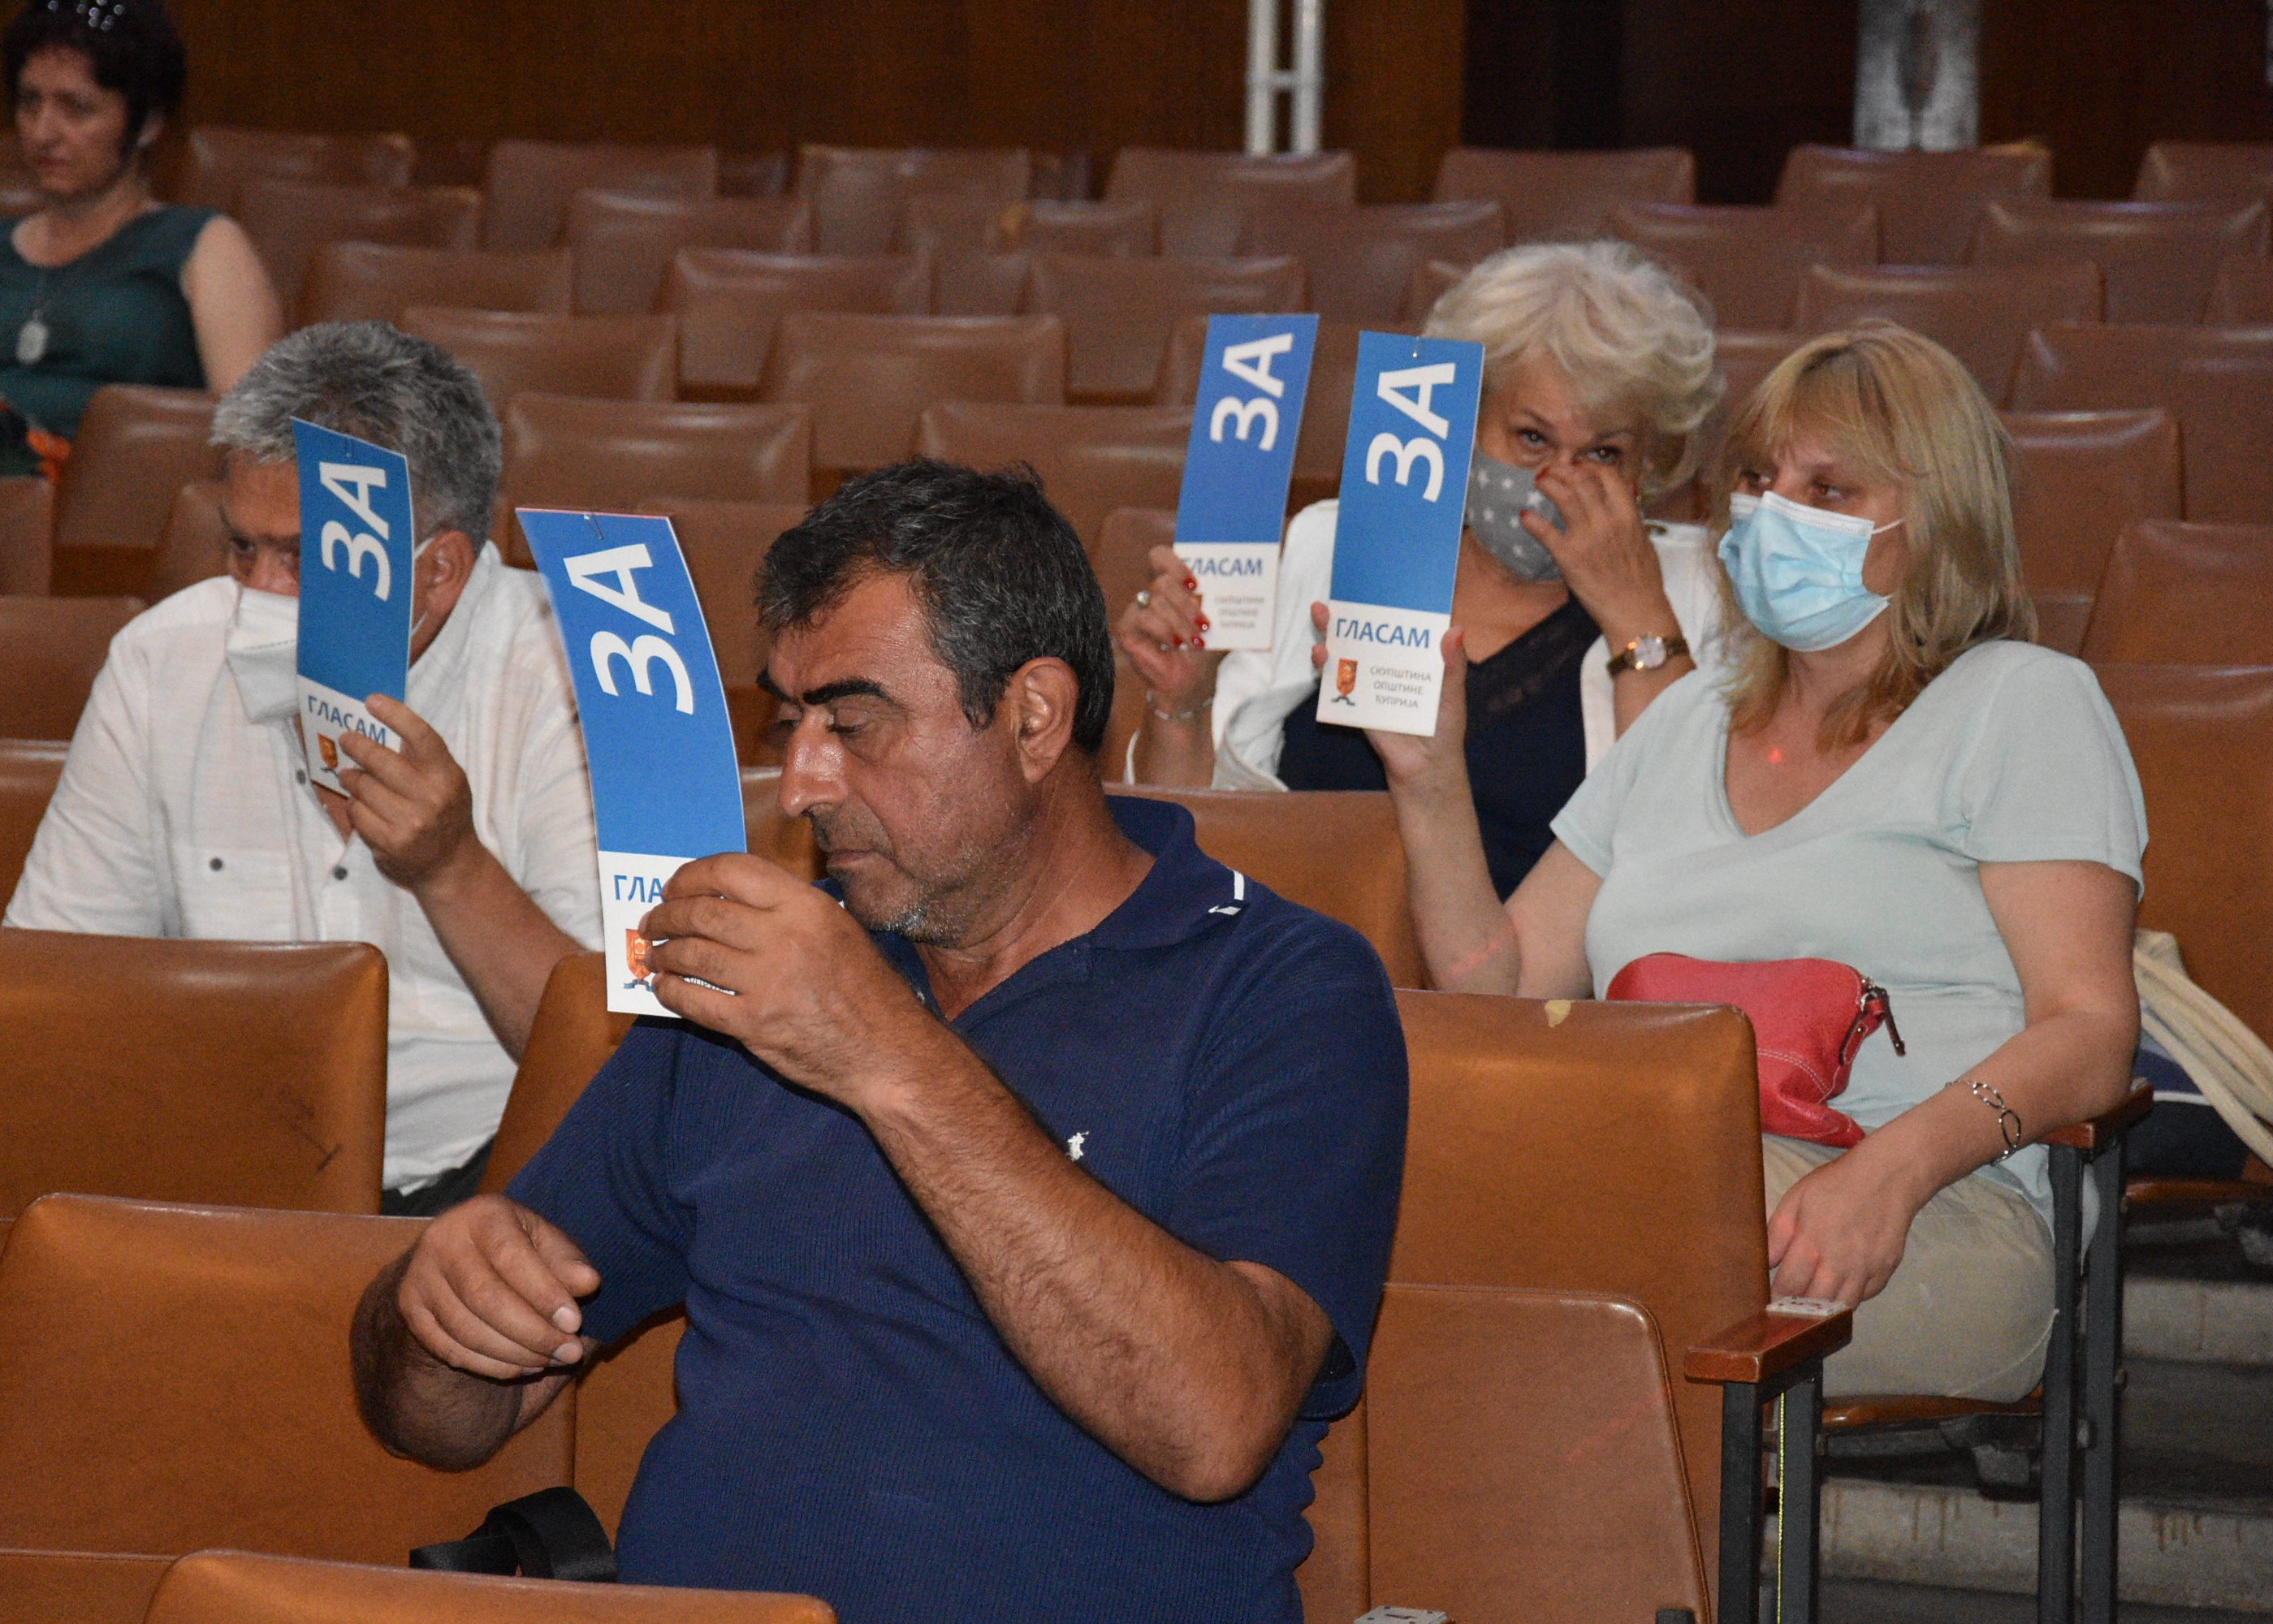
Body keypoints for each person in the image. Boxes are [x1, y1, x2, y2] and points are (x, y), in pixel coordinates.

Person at [350, 460, 1408, 1624]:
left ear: (1034, 716)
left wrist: (883, 1054)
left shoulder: (1282, 986)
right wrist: (438, 1315)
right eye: (791, 721)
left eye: (854, 725)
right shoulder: (764, 976)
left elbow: (1213, 1428)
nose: (801, 785)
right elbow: (449, 1423)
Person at [1384, 322, 2143, 1400]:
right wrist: (1428, 775)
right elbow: (1499, 993)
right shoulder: (1686, 716)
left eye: (1827, 489)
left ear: (1937, 521)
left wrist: (1892, 1169)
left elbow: (2090, 1029)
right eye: (1755, 478)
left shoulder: (2022, 701)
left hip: (1928, 1211)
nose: (1772, 510)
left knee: (1550, 1212)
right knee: (1415, 1160)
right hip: (1664, 1179)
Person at [6, 321, 599, 1216]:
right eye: (242, 547)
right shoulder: (164, 659)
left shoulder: (584, 674)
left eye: (304, 559)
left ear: (438, 571)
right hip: (215, 1163)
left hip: (512, 1179)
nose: (258, 593)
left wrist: (451, 868)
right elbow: (51, 988)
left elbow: (617, 1064)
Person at [1121, 240, 1722, 897]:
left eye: (1604, 453)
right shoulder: (1335, 542)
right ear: (1466, 424)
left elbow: (1684, 859)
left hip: (1526, 962)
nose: (1560, 480)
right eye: (1532, 438)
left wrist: (1636, 614)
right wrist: (1181, 702)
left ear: (1648, 463)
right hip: (1285, 936)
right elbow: (1181, 836)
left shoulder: (1694, 588)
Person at [0, 0, 283, 474]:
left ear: (148, 123)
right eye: (29, 102)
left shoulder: (204, 244)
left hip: (121, 504)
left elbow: (258, 439)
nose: (42, 132)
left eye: (75, 108)